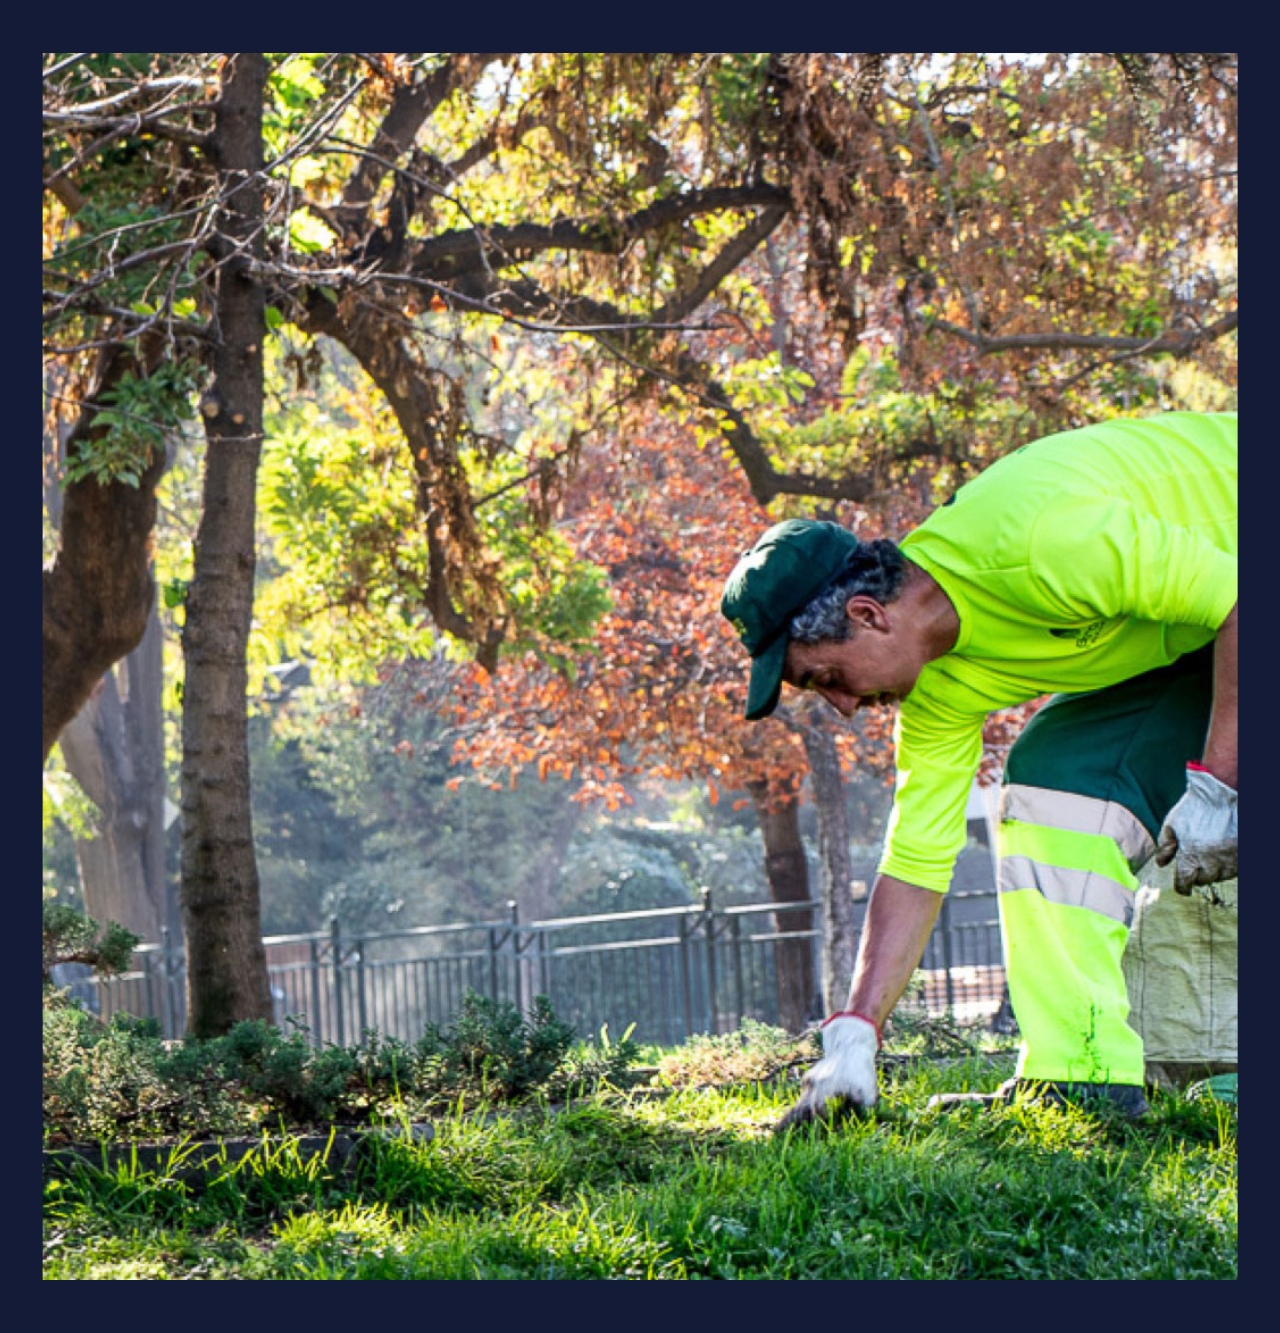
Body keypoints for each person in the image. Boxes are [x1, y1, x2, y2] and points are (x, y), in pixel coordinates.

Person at [720, 410, 1237, 1124]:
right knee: (1059, 779)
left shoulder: (1036, 540)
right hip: (1199, 635)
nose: (843, 706)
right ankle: (1081, 1076)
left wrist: (1220, 784)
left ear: (868, 615)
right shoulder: (933, 690)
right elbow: (916, 861)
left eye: (827, 677)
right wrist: (857, 1030)